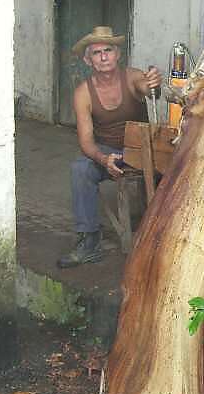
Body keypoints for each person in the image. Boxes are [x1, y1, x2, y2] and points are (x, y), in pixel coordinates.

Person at [57, 26, 162, 268]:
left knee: (174, 159)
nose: (103, 57)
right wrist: (104, 160)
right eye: (96, 53)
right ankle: (90, 241)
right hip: (108, 151)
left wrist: (153, 82)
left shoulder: (133, 77)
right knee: (80, 169)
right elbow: (86, 141)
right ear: (87, 59)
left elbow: (150, 90)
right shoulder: (83, 93)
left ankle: (165, 232)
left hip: (140, 150)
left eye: (108, 50)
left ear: (117, 54)